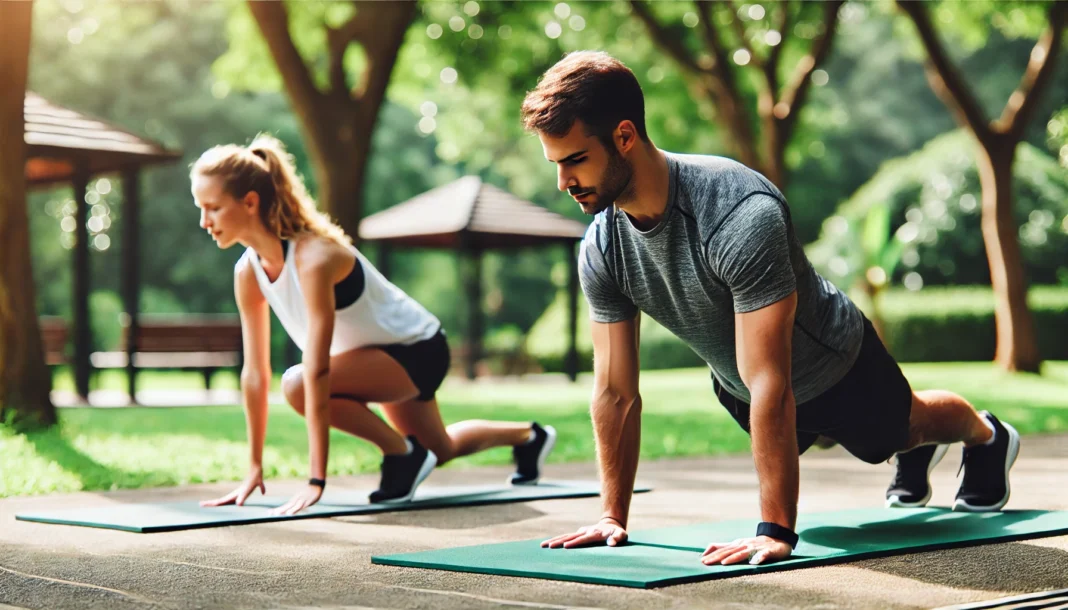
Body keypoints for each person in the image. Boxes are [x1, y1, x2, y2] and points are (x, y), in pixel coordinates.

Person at [523, 51, 1019, 566]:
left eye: (575, 160)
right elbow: (615, 391)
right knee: (819, 438)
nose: (563, 183)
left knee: (900, 428)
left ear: (624, 137)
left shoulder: (738, 212)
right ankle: (909, 451)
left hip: (833, 362)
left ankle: (986, 435)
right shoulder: (603, 248)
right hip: (739, 383)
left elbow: (772, 380)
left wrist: (775, 529)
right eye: (555, 164)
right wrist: (611, 517)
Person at [190, 134, 557, 515]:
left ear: (249, 202)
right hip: (371, 361)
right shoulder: (247, 272)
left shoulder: (313, 258)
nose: (204, 221)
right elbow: (254, 374)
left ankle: (402, 455)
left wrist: (317, 478)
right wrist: (254, 467)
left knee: (297, 383)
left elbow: (317, 371)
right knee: (440, 448)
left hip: (418, 350)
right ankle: (530, 436)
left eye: (212, 208)